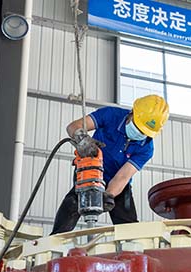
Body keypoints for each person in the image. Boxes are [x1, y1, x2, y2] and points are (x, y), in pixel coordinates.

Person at [50, 94, 169, 234]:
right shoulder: (111, 115)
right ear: (133, 112)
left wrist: (108, 195)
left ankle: (130, 251)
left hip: (117, 182)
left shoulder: (147, 148)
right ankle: (56, 240)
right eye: (138, 127)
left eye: (144, 132)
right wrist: (82, 140)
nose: (139, 133)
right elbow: (73, 126)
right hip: (90, 169)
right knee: (73, 203)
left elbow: (122, 177)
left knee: (127, 224)